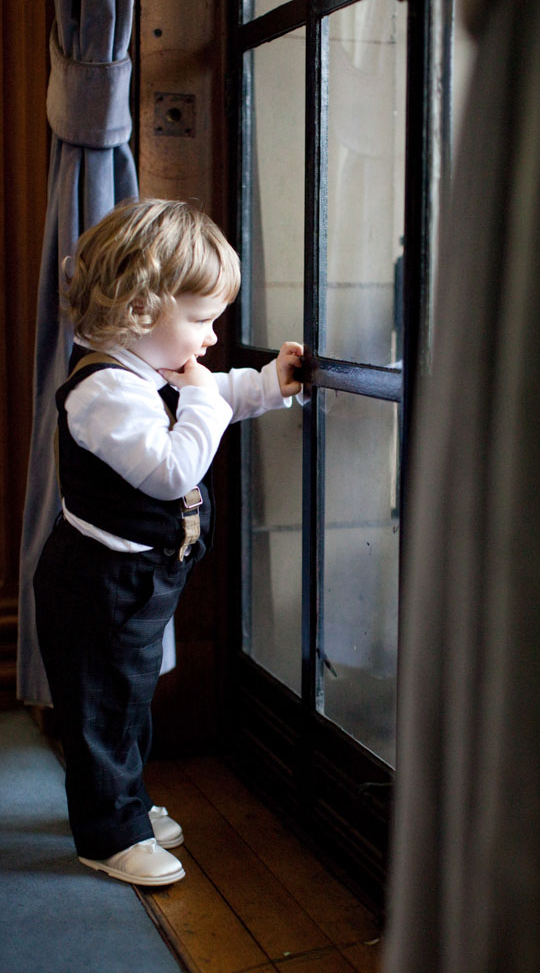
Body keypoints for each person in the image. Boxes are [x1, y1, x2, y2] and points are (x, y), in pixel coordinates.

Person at [33, 197, 303, 887]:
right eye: (202, 319)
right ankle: (108, 833)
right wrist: (210, 402)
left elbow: (212, 391)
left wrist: (270, 383)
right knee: (100, 710)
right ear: (141, 310)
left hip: (140, 579)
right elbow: (171, 469)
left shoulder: (149, 373)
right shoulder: (104, 393)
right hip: (97, 583)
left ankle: (124, 804)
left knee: (129, 700)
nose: (211, 338)